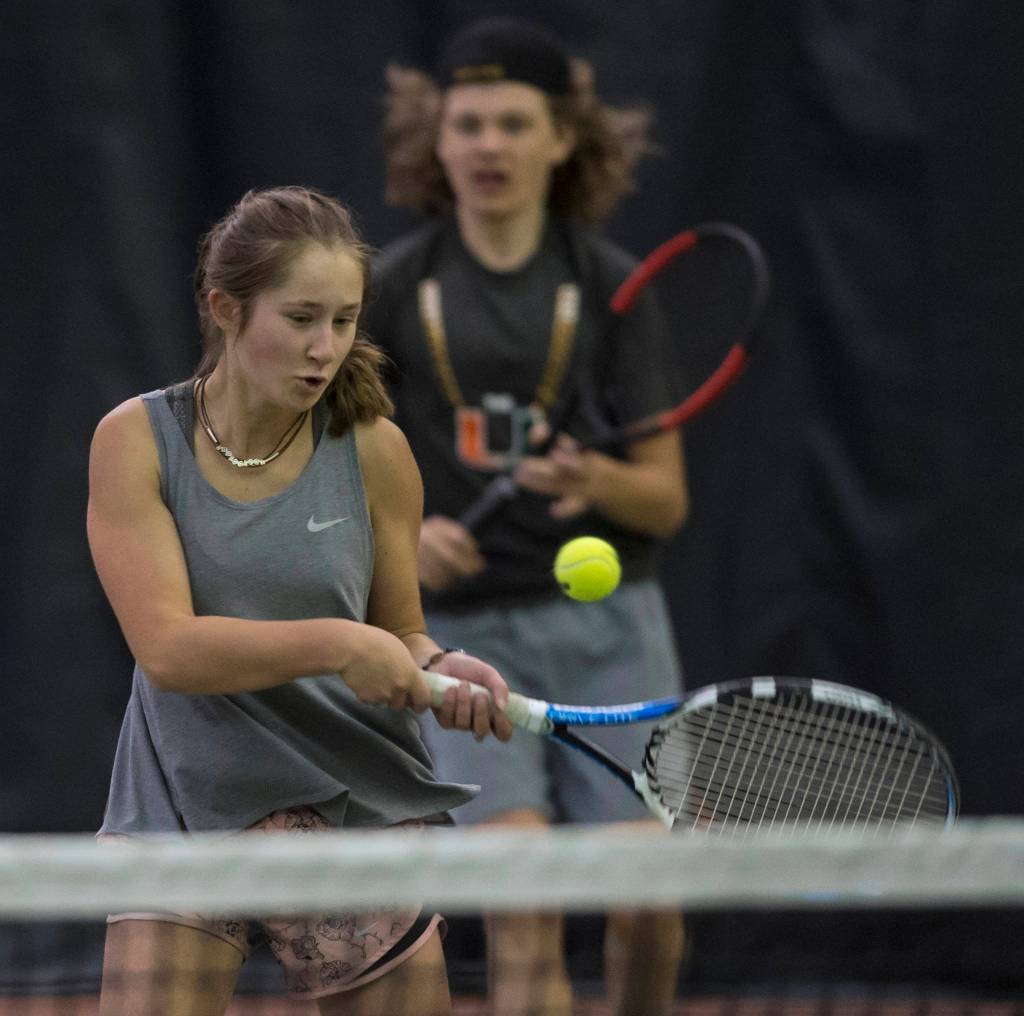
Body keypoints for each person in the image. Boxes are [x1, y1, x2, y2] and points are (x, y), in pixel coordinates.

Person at [86, 185, 513, 1016]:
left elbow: (401, 633)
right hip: (186, 800)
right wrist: (338, 645)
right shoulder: (134, 441)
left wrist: (443, 666)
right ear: (226, 308)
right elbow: (168, 650)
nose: (326, 348)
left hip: (354, 800)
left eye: (345, 321)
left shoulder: (376, 450)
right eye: (302, 318)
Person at [366, 17, 687, 1016]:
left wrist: (593, 481)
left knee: (649, 901)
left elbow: (665, 498)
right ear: (437, 138)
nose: (489, 145)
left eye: (514, 123)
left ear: (562, 139)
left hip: (607, 630)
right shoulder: (389, 290)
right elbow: (338, 469)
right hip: (464, 650)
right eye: (468, 123)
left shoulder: (609, 288)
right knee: (521, 895)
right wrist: (404, 545)